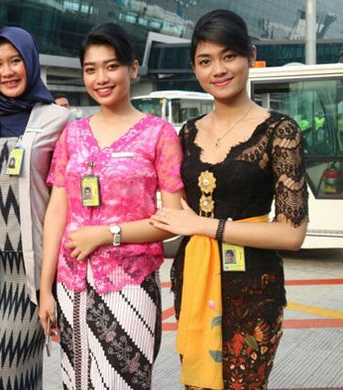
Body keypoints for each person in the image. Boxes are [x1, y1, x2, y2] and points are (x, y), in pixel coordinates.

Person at [149, 10, 308, 389]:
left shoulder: (278, 130)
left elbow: (292, 234)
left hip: (254, 289)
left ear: (250, 55)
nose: (218, 69)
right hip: (194, 282)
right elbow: (173, 216)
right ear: (194, 68)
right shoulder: (186, 133)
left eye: (229, 56)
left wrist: (204, 226)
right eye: (205, 61)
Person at [38, 23, 184, 389]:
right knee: (77, 381)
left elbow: (174, 219)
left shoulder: (159, 134)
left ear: (133, 69)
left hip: (129, 284)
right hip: (71, 284)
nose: (101, 78)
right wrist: (46, 288)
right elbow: (57, 210)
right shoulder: (72, 133)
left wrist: (107, 234)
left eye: (111, 66)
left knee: (123, 382)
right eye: (91, 69)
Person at [0, 26, 71, 390]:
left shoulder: (58, 121)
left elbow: (66, 198)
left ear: (31, 62)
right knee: (6, 375)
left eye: (15, 61)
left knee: (6, 372)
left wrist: (51, 285)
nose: (7, 71)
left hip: (33, 273)